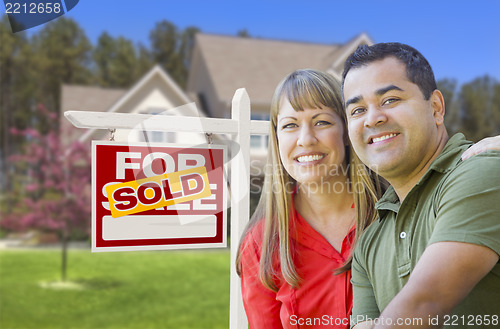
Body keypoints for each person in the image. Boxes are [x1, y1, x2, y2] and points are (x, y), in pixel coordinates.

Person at [341, 42, 500, 329]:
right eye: (357, 110)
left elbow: (426, 301)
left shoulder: (482, 170)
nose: (373, 118)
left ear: (436, 108)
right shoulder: (369, 243)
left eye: (390, 100)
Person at [236, 69, 384, 329]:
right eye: (290, 125)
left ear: (347, 132)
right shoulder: (262, 243)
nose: (306, 139)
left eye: (322, 122)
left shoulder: (390, 212)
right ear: (277, 137)